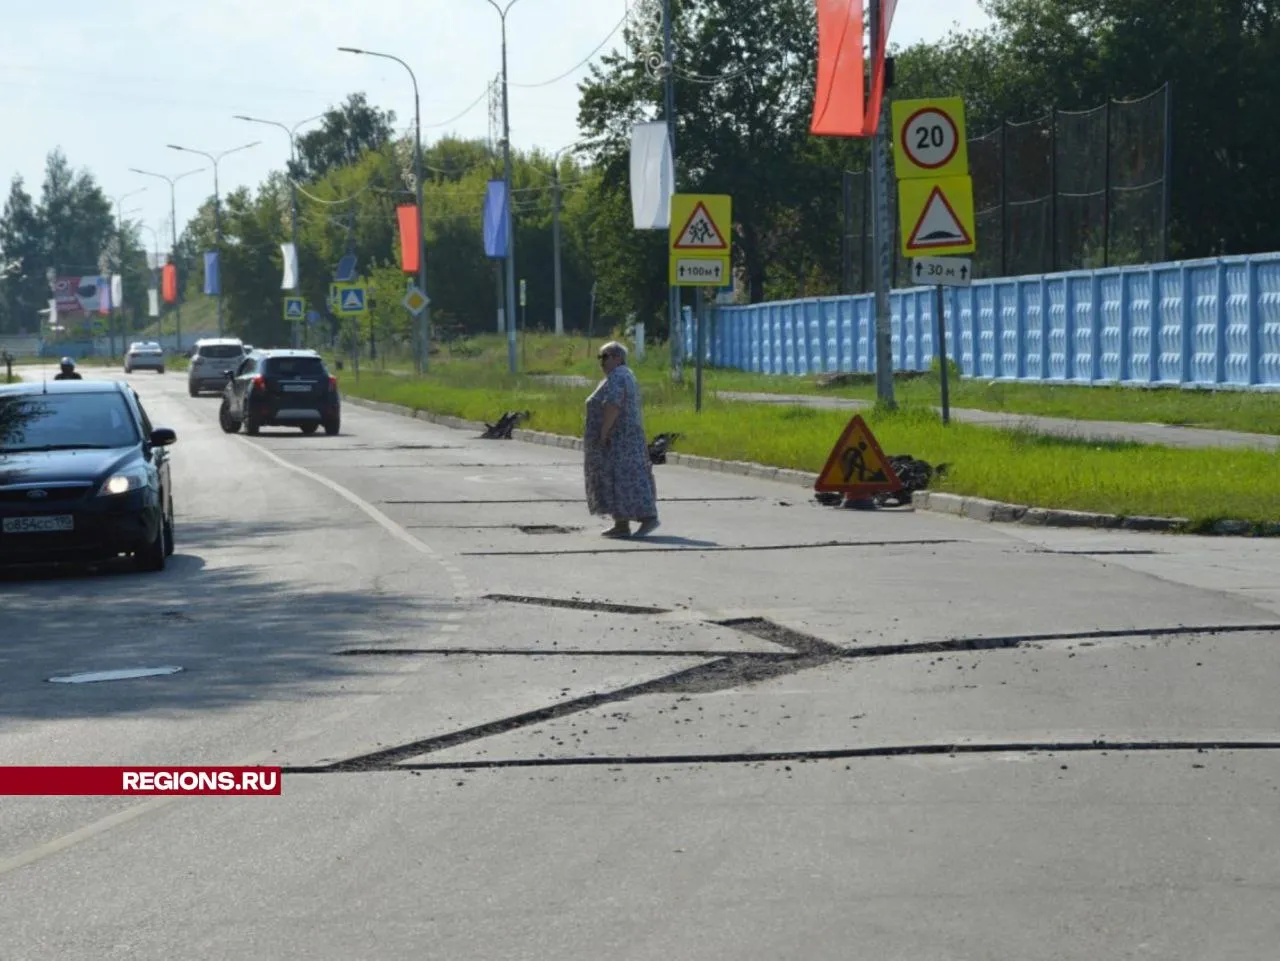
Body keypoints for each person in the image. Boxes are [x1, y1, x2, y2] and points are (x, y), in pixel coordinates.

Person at [583, 341, 659, 538]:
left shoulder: (619, 376)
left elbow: (613, 405)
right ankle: (621, 524)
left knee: (627, 479)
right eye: (599, 357)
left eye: (605, 356)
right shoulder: (621, 375)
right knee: (615, 481)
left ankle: (648, 518)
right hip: (622, 439)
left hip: (620, 440)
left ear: (618, 358)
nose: (601, 361)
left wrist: (604, 432)